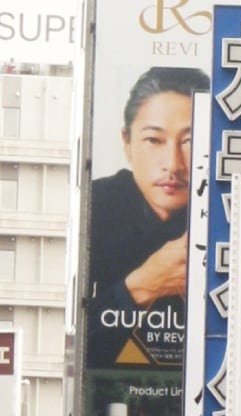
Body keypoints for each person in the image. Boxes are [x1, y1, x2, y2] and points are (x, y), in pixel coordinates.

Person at [85, 67, 209, 369]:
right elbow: (72, 348)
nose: (173, 164)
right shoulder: (93, 208)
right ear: (127, 142)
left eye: (190, 141)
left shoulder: (230, 214)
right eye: (154, 140)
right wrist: (141, 286)